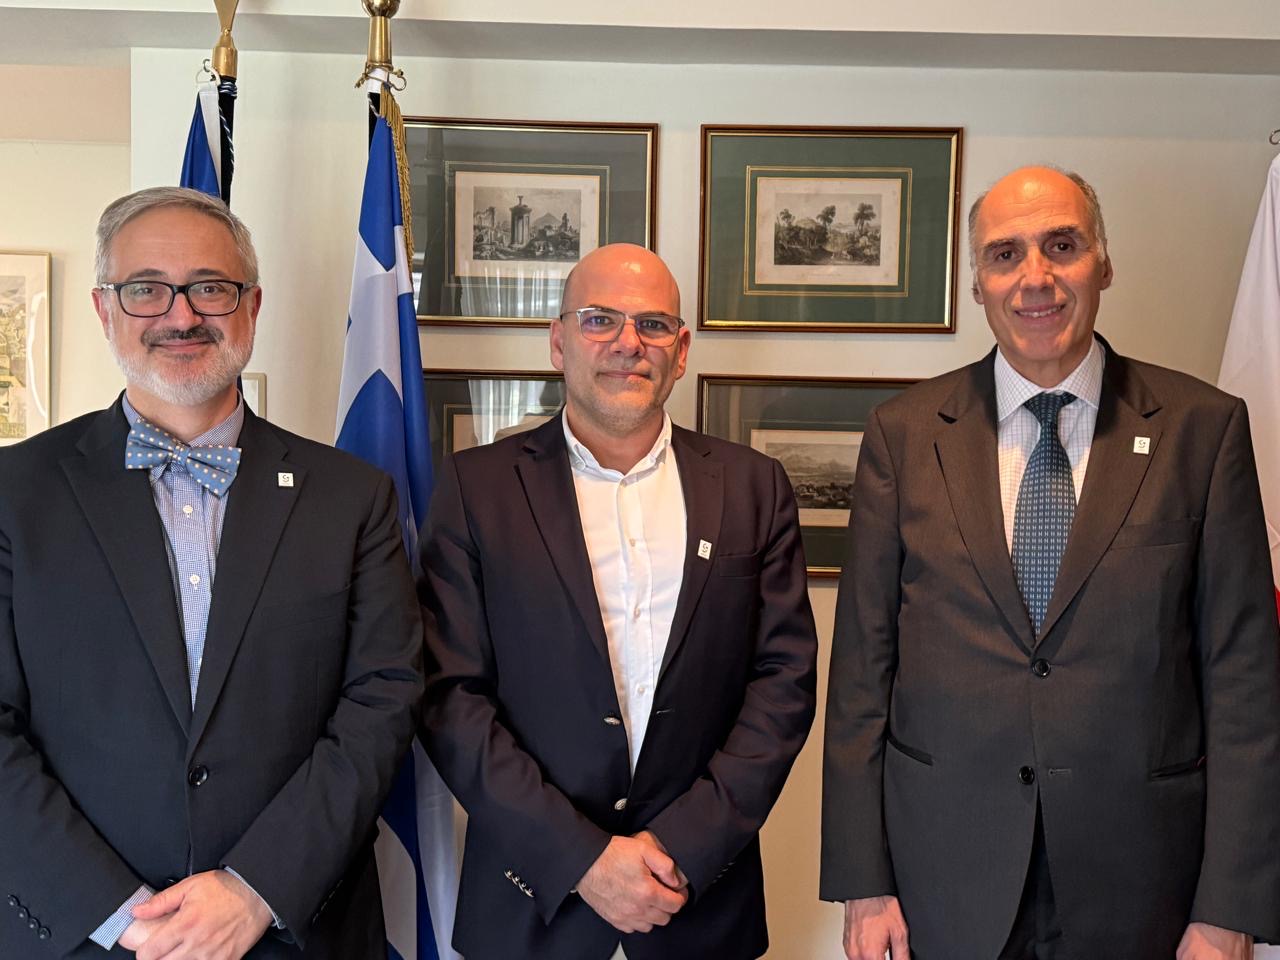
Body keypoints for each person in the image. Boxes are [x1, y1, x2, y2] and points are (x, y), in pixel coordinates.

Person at [820, 165, 1280, 960]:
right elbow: (863, 675)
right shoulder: (903, 434)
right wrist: (865, 882)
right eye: (1005, 254)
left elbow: (1245, 686)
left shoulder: (1202, 431)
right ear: (978, 283)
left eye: (1061, 246)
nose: (1035, 277)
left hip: (1146, 886)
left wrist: (1229, 908)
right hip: (944, 879)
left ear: (1103, 263)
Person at [0, 187, 424, 959]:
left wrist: (257, 888)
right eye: (146, 289)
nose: (181, 314)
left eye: (210, 287)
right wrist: (119, 914)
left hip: (293, 928)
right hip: (84, 936)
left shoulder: (352, 497)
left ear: (251, 307)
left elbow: (382, 700)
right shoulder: (13, 493)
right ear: (104, 309)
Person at [419, 243, 818, 959]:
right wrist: (582, 860)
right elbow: (451, 697)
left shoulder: (753, 487)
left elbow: (784, 686)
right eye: (600, 319)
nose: (628, 343)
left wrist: (682, 849)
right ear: (558, 340)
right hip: (530, 909)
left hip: (697, 903)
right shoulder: (476, 489)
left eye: (653, 325)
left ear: (681, 350)